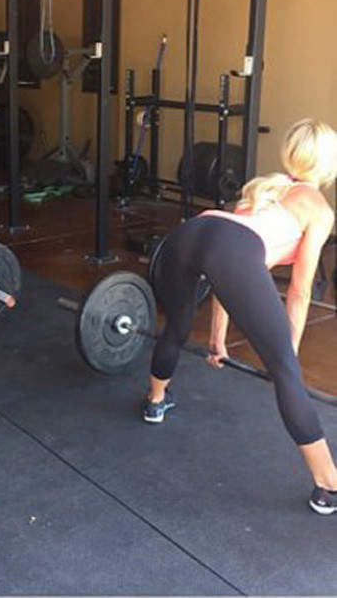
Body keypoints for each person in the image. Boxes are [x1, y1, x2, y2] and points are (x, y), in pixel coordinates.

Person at [143, 119, 337, 515]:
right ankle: (329, 484)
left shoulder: (263, 187)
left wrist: (218, 340)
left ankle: (155, 400)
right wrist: (287, 355)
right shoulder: (318, 208)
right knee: (286, 371)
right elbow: (299, 289)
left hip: (191, 232)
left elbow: (226, 268)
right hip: (227, 248)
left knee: (177, 326)